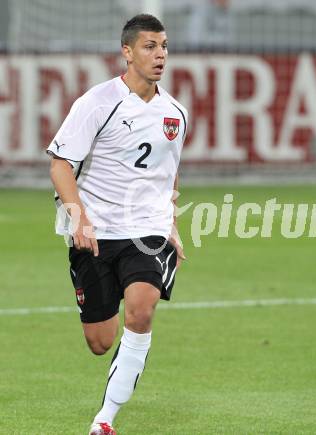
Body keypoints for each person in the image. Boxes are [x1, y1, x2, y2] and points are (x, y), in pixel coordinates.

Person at [47, 14, 187, 435]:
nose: (159, 54)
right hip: (95, 234)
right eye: (149, 46)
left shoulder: (175, 113)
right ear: (127, 52)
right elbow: (60, 166)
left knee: (141, 312)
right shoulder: (97, 102)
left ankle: (104, 420)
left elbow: (170, 173)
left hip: (147, 232)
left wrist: (172, 223)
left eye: (163, 45)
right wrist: (79, 216)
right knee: (100, 342)